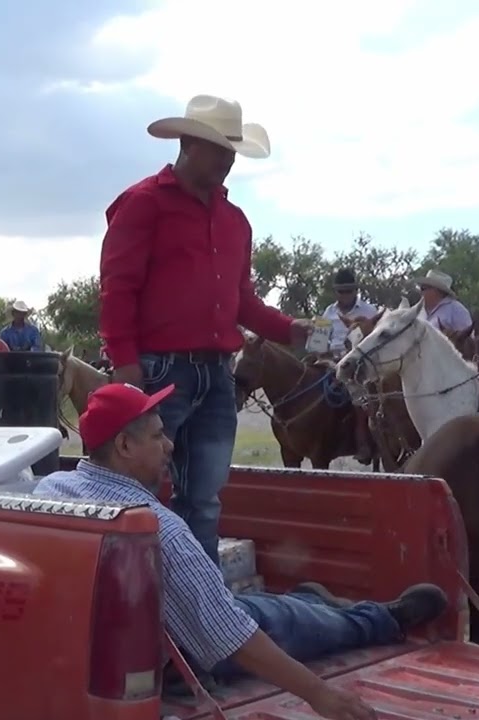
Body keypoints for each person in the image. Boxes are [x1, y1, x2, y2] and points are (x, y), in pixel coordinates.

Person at [34, 383, 448, 720]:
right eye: (158, 436)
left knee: (275, 611)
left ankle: (311, 602)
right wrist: (321, 695)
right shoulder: (162, 531)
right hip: (189, 645)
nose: (169, 446)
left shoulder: (48, 492)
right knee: (285, 622)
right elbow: (234, 637)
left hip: (102, 656)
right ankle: (381, 618)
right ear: (124, 446)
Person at [99, 94, 312, 563]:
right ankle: (137, 590)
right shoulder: (142, 204)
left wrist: (290, 329)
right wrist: (125, 363)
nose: (228, 161)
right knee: (138, 490)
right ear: (188, 144)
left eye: (232, 151)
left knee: (205, 498)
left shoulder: (235, 222)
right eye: (219, 149)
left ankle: (200, 597)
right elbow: (118, 288)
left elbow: (242, 302)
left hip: (217, 375)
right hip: (159, 371)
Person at [321, 268, 378, 463]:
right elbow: (319, 343)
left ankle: (363, 443)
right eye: (341, 291)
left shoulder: (370, 312)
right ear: (335, 292)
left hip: (359, 362)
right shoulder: (328, 313)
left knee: (357, 394)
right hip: (332, 359)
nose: (345, 295)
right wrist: (319, 353)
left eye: (349, 291)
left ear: (356, 290)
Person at [414, 270, 473, 335]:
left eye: (424, 288)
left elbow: (466, 338)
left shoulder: (457, 310)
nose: (421, 292)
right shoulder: (418, 311)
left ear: (438, 291)